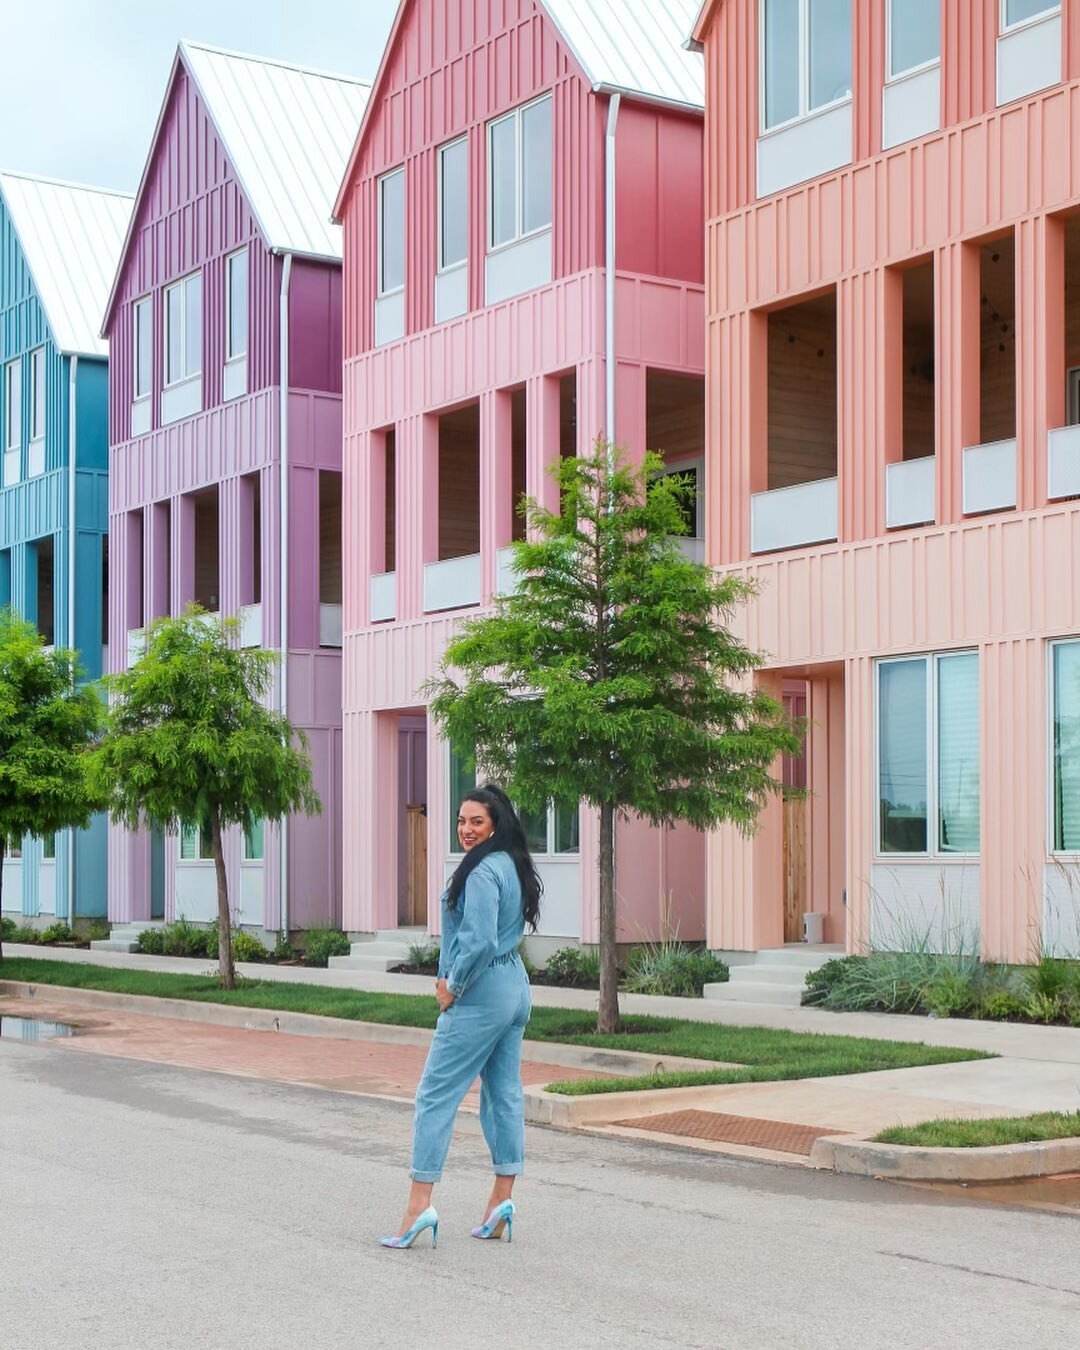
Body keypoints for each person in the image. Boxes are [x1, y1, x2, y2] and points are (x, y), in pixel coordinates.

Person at [379, 782, 542, 1250]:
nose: (466, 830)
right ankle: (499, 1204)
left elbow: (479, 941)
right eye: (461, 821)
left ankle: (417, 1207)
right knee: (504, 1093)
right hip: (514, 987)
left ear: (495, 824)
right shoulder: (510, 863)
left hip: (483, 989)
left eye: (477, 821)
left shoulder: (483, 872)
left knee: (434, 1095)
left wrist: (452, 986)